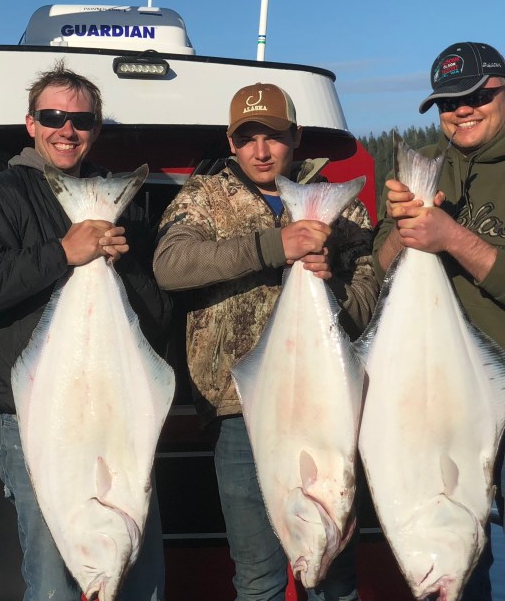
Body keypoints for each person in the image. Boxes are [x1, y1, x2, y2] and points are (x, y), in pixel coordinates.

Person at [0, 62, 170, 601]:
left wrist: (121, 265)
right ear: (30, 124)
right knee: (53, 583)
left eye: (81, 120)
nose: (66, 130)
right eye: (53, 117)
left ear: (95, 129)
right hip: (39, 421)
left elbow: (158, 317)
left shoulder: (113, 203)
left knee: (141, 581)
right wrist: (61, 254)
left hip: (117, 423)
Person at [153, 82, 377, 601]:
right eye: (247, 137)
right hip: (238, 413)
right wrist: (275, 246)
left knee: (335, 571)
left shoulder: (341, 209)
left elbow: (368, 298)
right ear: (231, 142)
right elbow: (171, 266)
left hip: (331, 410)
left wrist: (331, 285)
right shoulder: (203, 197)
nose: (261, 150)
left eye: (273, 137)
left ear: (294, 138)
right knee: (257, 576)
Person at [373, 41, 505, 600]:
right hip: (440, 399)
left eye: (479, 95)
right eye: (449, 102)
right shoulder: (427, 165)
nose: (463, 110)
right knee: (467, 566)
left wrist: (450, 236)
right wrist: (402, 234)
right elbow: (376, 268)